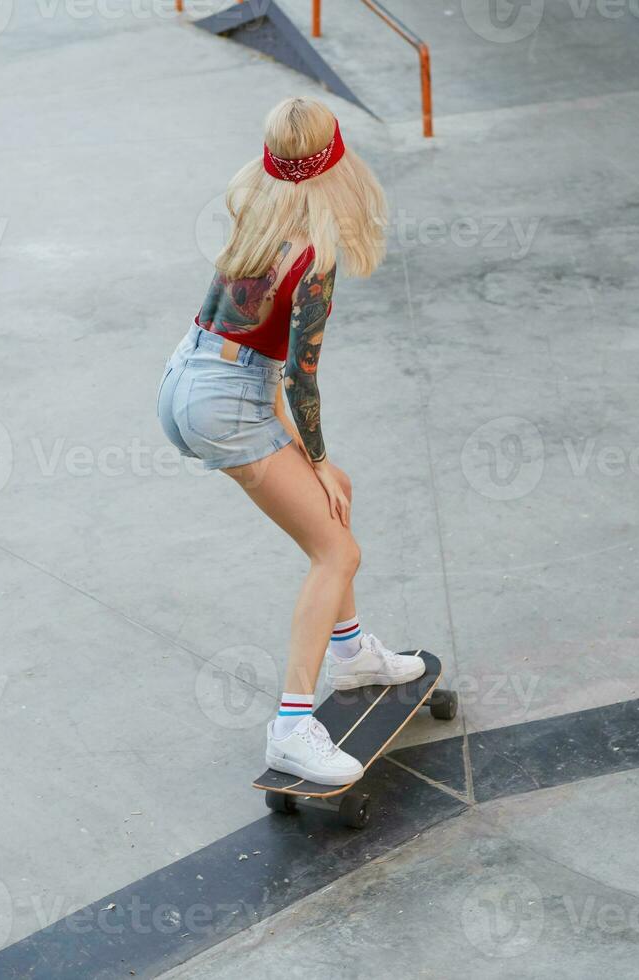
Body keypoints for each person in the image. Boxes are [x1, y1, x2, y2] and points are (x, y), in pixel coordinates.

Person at [156, 96, 425, 785]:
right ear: (338, 164)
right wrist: (320, 457)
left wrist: (324, 468)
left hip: (187, 374)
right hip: (231, 401)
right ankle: (293, 726)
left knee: (338, 502)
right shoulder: (315, 254)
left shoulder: (256, 204)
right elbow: (302, 381)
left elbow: (256, 351)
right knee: (336, 550)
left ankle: (353, 651)